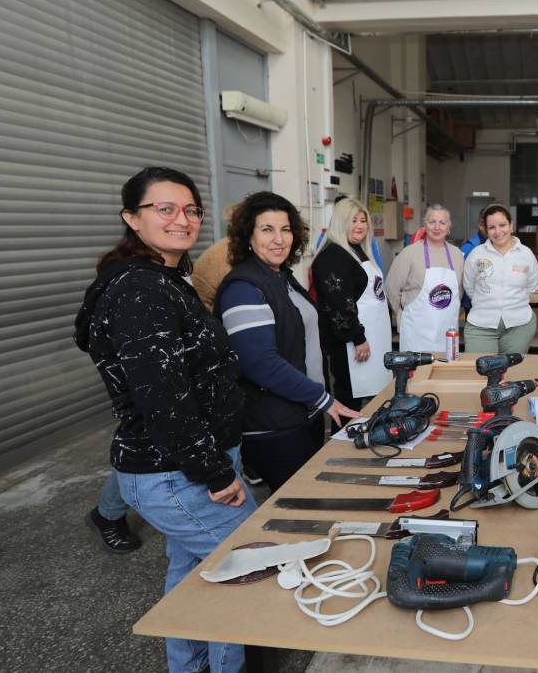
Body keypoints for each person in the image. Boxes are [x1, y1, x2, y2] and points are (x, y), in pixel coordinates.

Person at [73, 166, 254, 672]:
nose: (182, 219)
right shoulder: (140, 291)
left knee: (195, 574)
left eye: (191, 209)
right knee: (247, 566)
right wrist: (216, 474)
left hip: (188, 464)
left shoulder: (166, 279)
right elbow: (163, 399)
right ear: (132, 218)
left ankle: (188, 666)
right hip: (177, 472)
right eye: (165, 209)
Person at [215, 191, 360, 491]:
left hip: (301, 413)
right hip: (273, 424)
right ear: (248, 237)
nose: (279, 239)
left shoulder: (281, 277)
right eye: (267, 229)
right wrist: (323, 399)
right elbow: (259, 363)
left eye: (285, 229)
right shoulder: (243, 288)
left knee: (308, 499)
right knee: (301, 502)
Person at [311, 198, 393, 410]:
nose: (359, 225)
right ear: (340, 222)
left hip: (372, 339)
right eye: (353, 220)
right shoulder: (333, 256)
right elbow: (339, 304)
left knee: (374, 401)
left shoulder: (356, 249)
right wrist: (358, 338)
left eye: (363, 220)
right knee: (349, 402)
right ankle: (343, 443)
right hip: (350, 344)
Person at [386, 204, 465, 353]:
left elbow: (459, 291)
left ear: (449, 227)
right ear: (424, 225)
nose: (437, 227)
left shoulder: (457, 255)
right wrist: (404, 314)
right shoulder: (409, 253)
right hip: (416, 332)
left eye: (442, 223)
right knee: (415, 374)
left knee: (444, 372)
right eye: (431, 222)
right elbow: (392, 288)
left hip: (446, 331)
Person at [463, 204, 538, 354]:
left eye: (502, 225)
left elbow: (531, 286)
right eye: (491, 227)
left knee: (511, 371)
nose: (498, 232)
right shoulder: (476, 254)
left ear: (511, 226)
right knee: (481, 369)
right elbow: (469, 287)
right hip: (481, 324)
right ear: (485, 230)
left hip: (519, 324)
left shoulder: (526, 254)